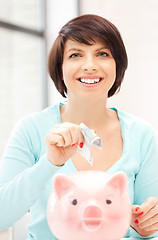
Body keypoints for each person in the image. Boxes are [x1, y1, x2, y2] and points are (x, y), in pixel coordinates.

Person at [0, 14, 158, 240]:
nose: (90, 66)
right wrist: (51, 162)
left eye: (102, 54)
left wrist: (144, 227)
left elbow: (148, 227)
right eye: (75, 55)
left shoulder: (142, 135)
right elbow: (1, 217)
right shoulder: (31, 129)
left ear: (118, 65)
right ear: (60, 67)